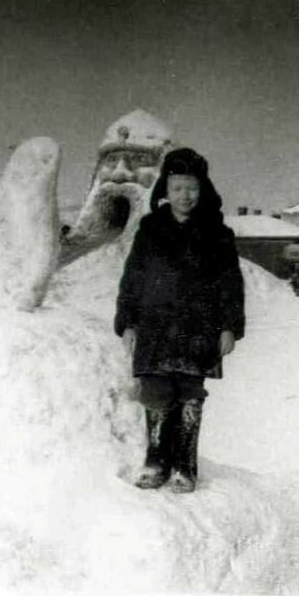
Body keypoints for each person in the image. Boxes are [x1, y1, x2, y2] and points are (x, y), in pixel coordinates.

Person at [115, 147, 245, 493]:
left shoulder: (217, 233)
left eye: (191, 188)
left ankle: (184, 466)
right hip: (156, 326)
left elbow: (231, 283)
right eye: (177, 188)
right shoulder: (150, 230)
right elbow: (133, 278)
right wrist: (128, 321)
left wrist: (229, 326)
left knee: (189, 391)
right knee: (157, 390)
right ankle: (156, 461)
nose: (184, 196)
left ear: (203, 190)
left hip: (199, 328)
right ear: (165, 191)